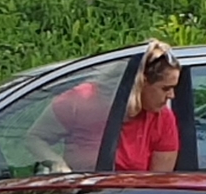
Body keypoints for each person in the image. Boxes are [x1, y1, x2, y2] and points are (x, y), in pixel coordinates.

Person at [30, 41, 184, 174]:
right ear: (140, 84)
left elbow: (156, 185)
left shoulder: (162, 119)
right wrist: (57, 164)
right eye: (165, 88)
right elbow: (35, 138)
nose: (172, 96)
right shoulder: (82, 100)